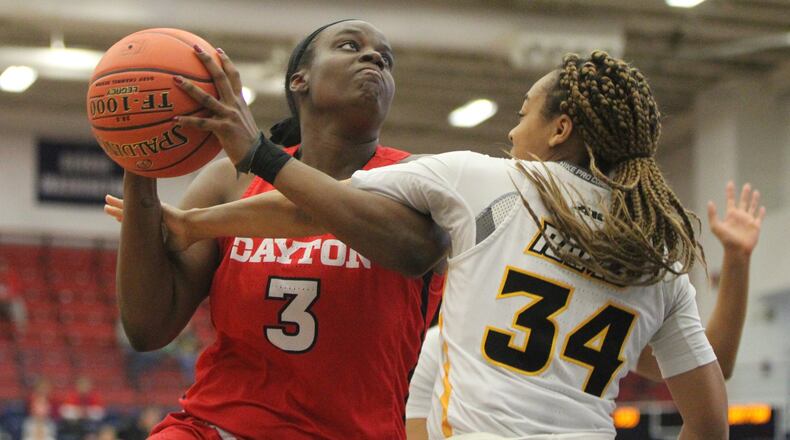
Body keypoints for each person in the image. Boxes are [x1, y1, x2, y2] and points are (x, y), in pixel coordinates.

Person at [107, 50, 761, 438]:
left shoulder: (489, 183)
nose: (511, 132)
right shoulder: (655, 256)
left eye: (525, 112)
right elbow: (710, 418)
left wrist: (205, 211)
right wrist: (734, 263)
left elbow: (320, 212)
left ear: (560, 128)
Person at [112, 19, 443, 439]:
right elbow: (147, 328)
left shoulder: (419, 176)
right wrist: (137, 155)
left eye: (386, 59)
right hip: (216, 426)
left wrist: (261, 155)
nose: (374, 57)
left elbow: (414, 252)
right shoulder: (227, 182)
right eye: (349, 45)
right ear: (299, 81)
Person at [404, 180, 765, 439]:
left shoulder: (441, 344)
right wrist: (735, 262)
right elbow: (713, 390)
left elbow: (712, 370)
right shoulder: (440, 347)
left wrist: (736, 261)